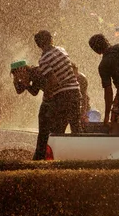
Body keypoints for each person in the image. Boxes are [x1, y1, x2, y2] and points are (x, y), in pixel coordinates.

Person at [31, 30, 82, 160]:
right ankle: (81, 158)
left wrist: (48, 93)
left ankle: (58, 159)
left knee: (57, 131)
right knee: (76, 127)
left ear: (38, 45)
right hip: (75, 91)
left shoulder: (44, 59)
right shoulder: (61, 50)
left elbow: (53, 81)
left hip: (62, 96)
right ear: (51, 39)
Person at [71, 62, 90, 128]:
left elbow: (84, 96)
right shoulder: (66, 78)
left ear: (76, 69)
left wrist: (83, 112)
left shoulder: (81, 78)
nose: (73, 74)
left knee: (80, 125)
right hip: (70, 103)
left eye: (74, 70)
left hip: (83, 103)